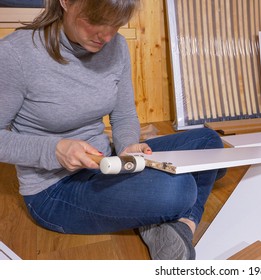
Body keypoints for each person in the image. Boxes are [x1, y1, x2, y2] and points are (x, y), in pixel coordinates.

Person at [0, 0, 225, 260]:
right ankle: (161, 215)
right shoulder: (15, 54)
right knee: (181, 189)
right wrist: (55, 149)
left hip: (108, 163)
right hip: (54, 190)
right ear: (65, 3)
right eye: (96, 21)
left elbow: (124, 113)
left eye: (116, 24)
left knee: (208, 143)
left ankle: (182, 226)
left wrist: (129, 146)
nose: (106, 36)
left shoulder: (116, 45)